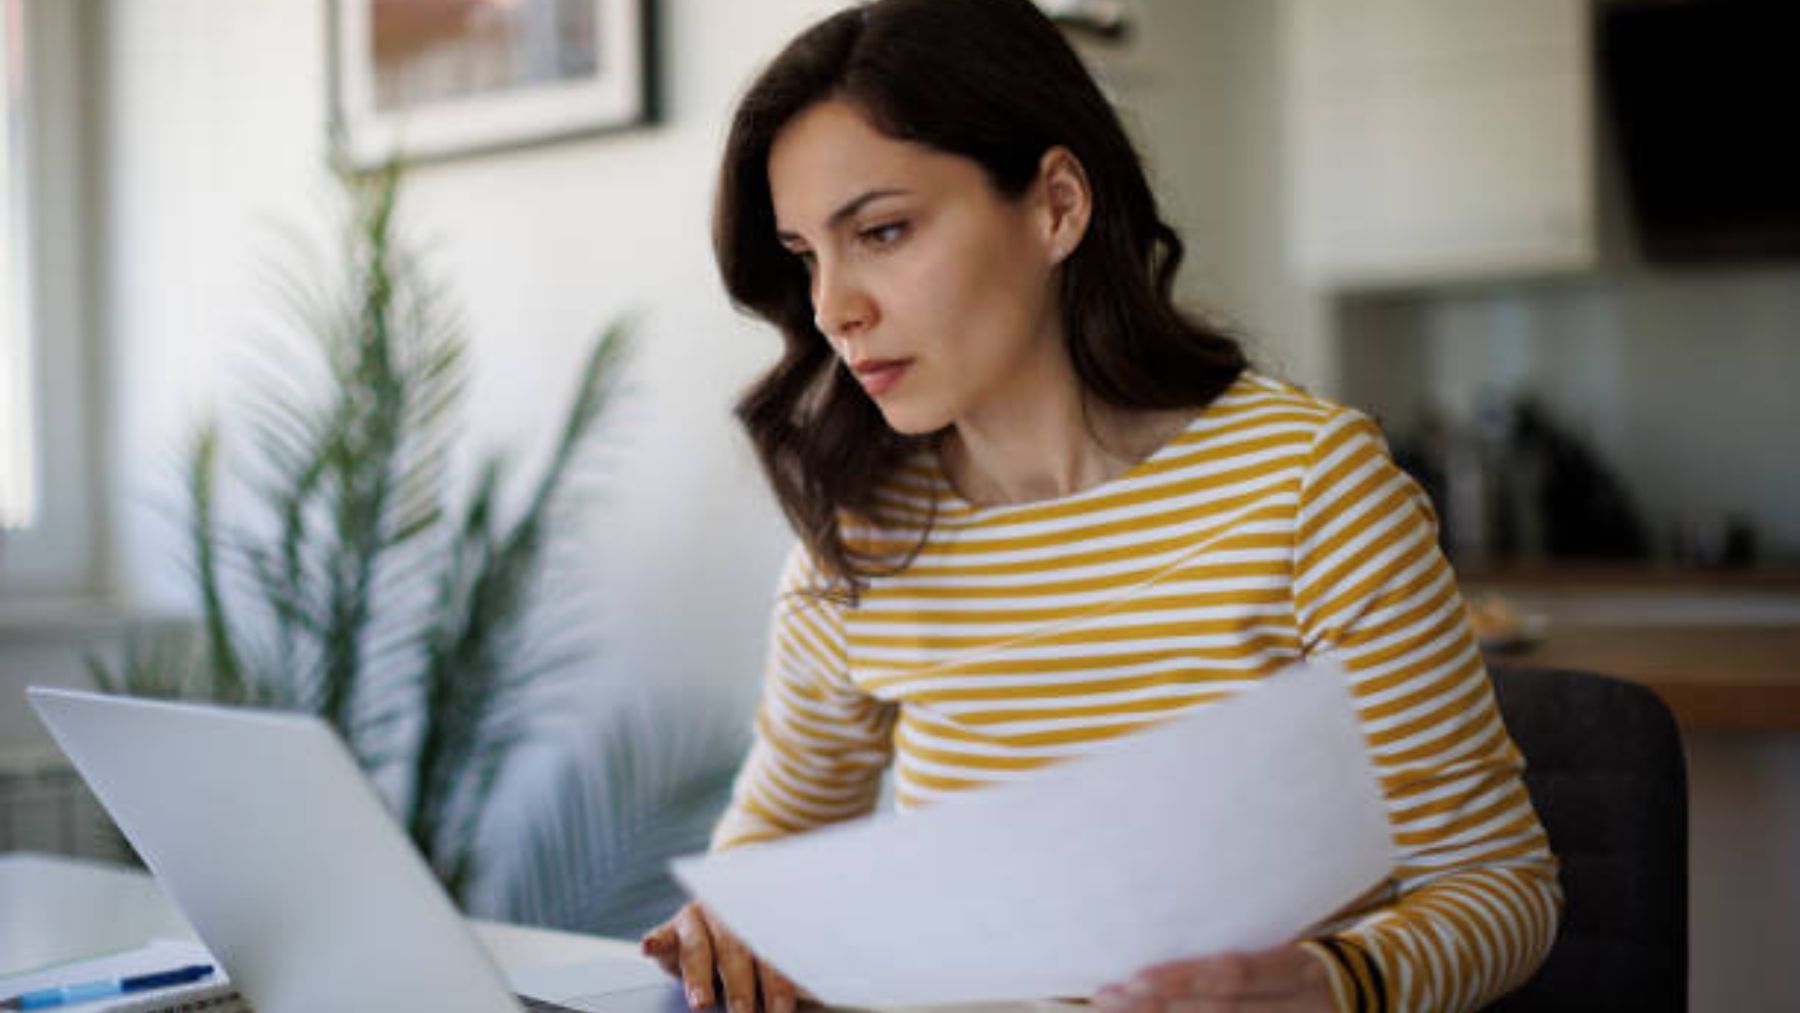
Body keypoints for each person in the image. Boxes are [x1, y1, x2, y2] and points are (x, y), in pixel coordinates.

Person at [640, 1, 1562, 1010]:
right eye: (807, 256)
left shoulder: (1308, 488)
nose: (832, 307)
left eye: (883, 230)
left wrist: (1332, 981)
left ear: (1057, 206)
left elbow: (1501, 883)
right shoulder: (860, 540)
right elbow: (767, 862)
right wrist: (723, 933)